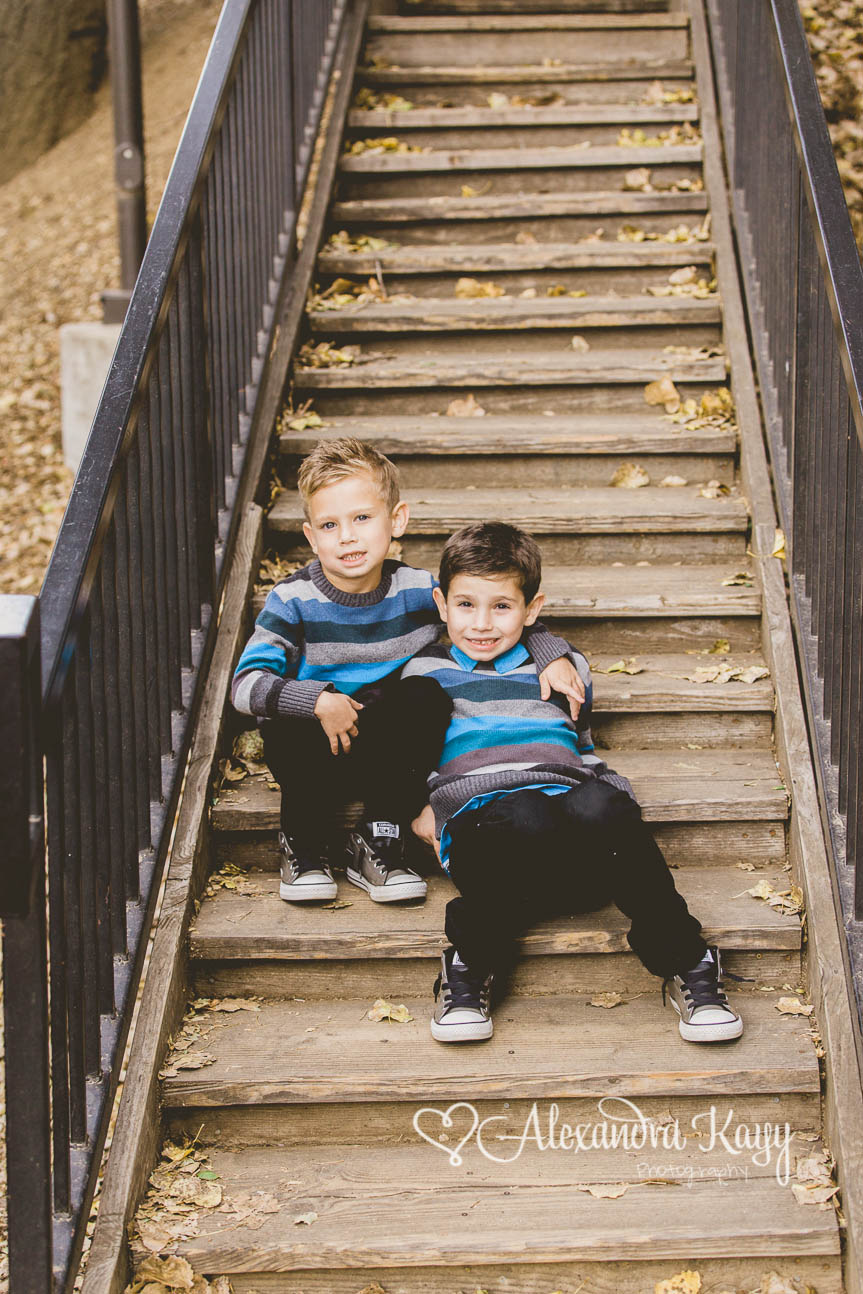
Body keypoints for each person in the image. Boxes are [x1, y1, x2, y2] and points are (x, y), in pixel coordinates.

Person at [406, 521, 744, 1045]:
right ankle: (471, 964)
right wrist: (419, 806)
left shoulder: (566, 668)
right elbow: (410, 752)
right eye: (466, 604)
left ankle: (689, 961)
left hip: (572, 849)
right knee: (524, 812)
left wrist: (614, 803)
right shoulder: (425, 672)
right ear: (441, 604)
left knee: (600, 805)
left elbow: (581, 748)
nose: (482, 623)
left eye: (502, 606)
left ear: (531, 609)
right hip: (487, 843)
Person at [231, 439, 583, 905]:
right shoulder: (292, 600)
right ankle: (304, 843)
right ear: (312, 537)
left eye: (362, 518)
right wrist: (315, 700)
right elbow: (245, 684)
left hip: (389, 753)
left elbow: (487, 610)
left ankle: (379, 838)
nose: (347, 536)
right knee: (285, 725)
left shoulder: (418, 590)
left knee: (425, 696)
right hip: (316, 746)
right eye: (330, 525)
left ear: (396, 520)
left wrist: (549, 651)